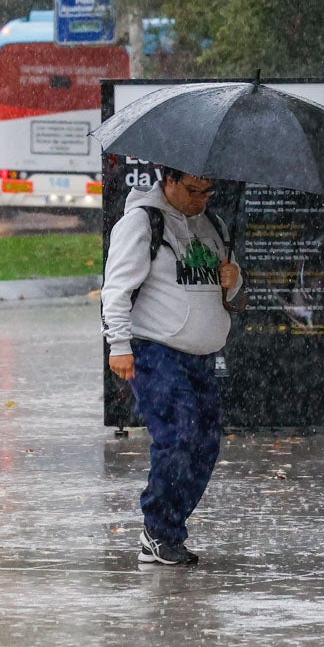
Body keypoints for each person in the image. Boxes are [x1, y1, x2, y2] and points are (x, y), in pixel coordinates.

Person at [101, 167, 245, 565]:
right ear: (169, 182)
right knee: (179, 435)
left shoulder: (213, 225)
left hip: (202, 355)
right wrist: (119, 345)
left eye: (209, 191)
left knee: (205, 445)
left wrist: (234, 281)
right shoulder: (143, 222)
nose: (201, 199)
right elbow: (116, 287)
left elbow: (231, 295)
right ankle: (159, 530)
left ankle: (168, 530)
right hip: (156, 349)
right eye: (194, 190)